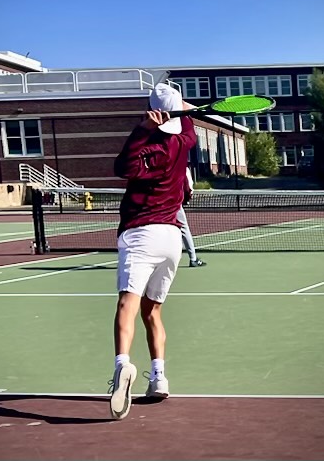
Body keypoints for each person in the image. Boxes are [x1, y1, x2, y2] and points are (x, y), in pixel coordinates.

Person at [109, 83, 196, 420]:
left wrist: (141, 129)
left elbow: (121, 168)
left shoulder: (144, 147)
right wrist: (181, 109)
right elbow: (187, 123)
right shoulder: (184, 141)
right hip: (172, 239)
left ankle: (122, 365)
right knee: (153, 312)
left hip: (141, 234)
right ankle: (159, 377)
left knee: (127, 305)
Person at [177, 167, 207, 267]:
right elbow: (188, 187)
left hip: (159, 203)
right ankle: (193, 258)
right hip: (173, 204)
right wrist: (187, 196)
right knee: (184, 229)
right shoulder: (181, 167)